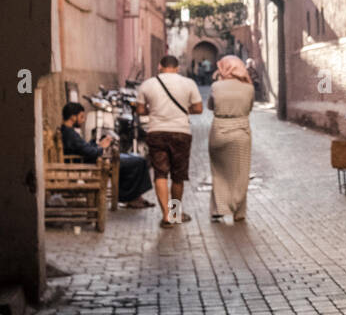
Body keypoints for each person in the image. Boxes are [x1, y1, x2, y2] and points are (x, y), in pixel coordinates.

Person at [136, 54, 204, 228]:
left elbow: (141, 110)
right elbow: (198, 108)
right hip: (181, 133)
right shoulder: (188, 83)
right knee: (178, 176)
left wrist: (155, 111)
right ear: (177, 68)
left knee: (160, 173)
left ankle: (166, 216)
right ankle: (175, 213)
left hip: (156, 132)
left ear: (160, 66)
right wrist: (181, 111)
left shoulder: (147, 84)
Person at [59, 102, 155, 209]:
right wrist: (102, 147)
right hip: (92, 162)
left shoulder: (68, 132)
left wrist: (98, 144)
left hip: (93, 158)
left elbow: (84, 148)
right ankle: (132, 198)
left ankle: (134, 197)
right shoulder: (70, 134)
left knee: (135, 158)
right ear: (73, 117)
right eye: (81, 116)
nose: (83, 120)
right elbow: (88, 152)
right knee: (138, 161)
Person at [207, 55, 254, 223]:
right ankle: (238, 211)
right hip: (241, 131)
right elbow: (249, 108)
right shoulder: (248, 88)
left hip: (219, 130)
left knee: (219, 172)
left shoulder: (216, 86)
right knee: (240, 173)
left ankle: (219, 208)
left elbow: (210, 107)